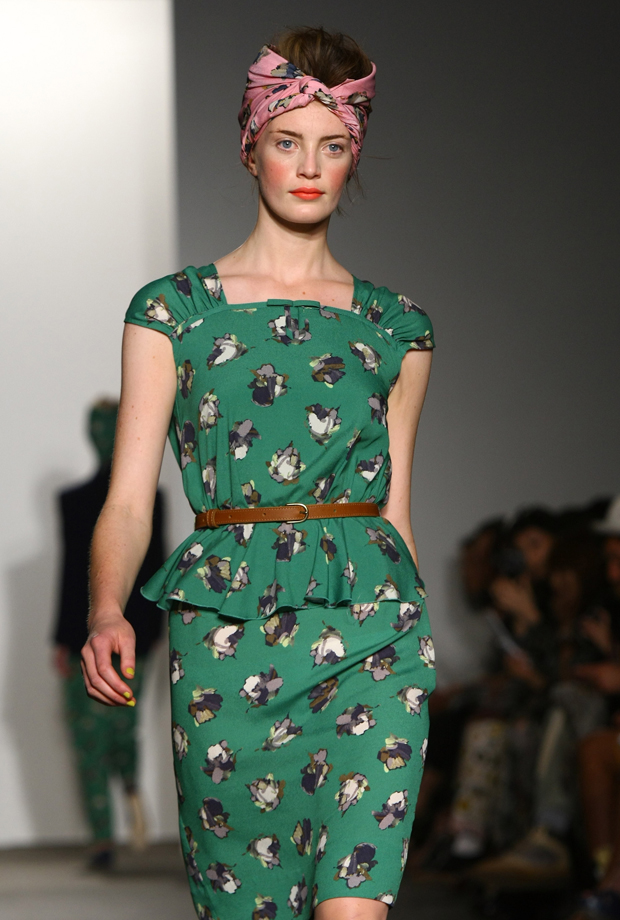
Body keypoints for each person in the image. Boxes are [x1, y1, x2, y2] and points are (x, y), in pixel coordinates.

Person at [81, 27, 436, 920]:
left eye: (334, 145)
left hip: (373, 637)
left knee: (355, 907)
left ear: (355, 156)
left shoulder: (397, 328)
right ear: (250, 146)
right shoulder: (172, 313)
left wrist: (416, 623)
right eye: (288, 141)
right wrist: (106, 608)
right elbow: (130, 498)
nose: (309, 167)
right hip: (228, 642)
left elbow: (395, 508)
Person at [53, 399, 165, 869]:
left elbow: (153, 563)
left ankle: (122, 815)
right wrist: (61, 639)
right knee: (96, 734)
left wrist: (152, 632)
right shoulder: (74, 499)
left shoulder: (147, 499)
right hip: (101, 631)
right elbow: (70, 576)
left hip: (129, 633)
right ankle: (105, 833)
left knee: (112, 729)